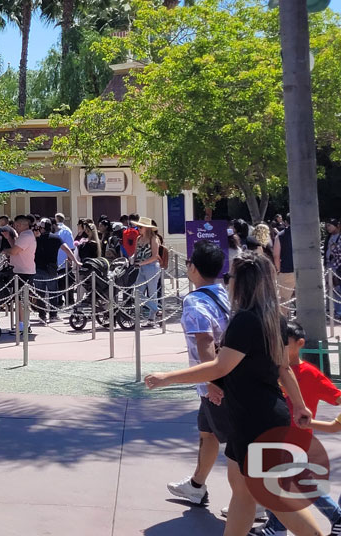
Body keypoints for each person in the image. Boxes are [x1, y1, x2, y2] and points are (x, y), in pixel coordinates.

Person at [145, 252, 324, 536]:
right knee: (243, 492)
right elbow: (284, 368)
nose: (227, 282)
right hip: (254, 418)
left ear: (240, 282)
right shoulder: (272, 318)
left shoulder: (246, 321)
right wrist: (300, 406)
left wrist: (166, 378)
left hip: (257, 422)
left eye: (231, 278)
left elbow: (219, 367)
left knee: (273, 497)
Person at [165, 240, 233, 508]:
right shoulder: (223, 293)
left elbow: (205, 342)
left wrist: (211, 381)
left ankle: (252, 500)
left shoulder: (194, 301)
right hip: (216, 381)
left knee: (237, 446)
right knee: (208, 433)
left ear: (193, 268)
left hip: (214, 384)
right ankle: (196, 486)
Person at [257, 320, 341, 536]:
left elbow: (336, 397)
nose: (280, 346)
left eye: (286, 342)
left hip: (296, 438)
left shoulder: (310, 374)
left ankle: (335, 516)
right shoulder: (272, 369)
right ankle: (276, 526)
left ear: (300, 343)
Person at [3, 215, 37, 313]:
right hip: (20, 271)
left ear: (20, 225)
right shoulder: (23, 235)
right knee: (18, 300)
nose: (15, 227)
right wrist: (9, 238)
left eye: (16, 225)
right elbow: (16, 247)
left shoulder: (26, 236)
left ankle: (23, 325)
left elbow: (14, 251)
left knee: (22, 300)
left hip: (24, 272)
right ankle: (21, 324)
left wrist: (4, 250)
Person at [133, 216, 163, 325]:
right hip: (141, 268)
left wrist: (141, 263)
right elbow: (136, 253)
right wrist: (132, 259)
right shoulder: (138, 238)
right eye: (138, 227)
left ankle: (151, 318)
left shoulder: (153, 239)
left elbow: (155, 256)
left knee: (152, 293)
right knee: (137, 292)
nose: (138, 229)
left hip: (152, 267)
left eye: (140, 227)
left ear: (146, 228)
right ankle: (156, 310)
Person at [272, 213, 294, 303]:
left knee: (284, 300)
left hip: (286, 270)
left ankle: (284, 317)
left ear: (285, 222)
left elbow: (276, 255)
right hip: (303, 269)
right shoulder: (305, 233)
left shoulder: (280, 236)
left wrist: (278, 269)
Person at [324, 219, 341, 318]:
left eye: (330, 225)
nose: (328, 228)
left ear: (336, 226)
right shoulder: (328, 237)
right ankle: (329, 309)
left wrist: (334, 249)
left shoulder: (339, 237)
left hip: (337, 266)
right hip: (328, 265)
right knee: (328, 288)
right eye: (327, 226)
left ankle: (339, 311)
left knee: (337, 289)